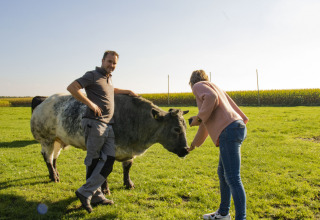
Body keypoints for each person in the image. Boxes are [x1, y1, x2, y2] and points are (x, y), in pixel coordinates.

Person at [67, 50, 138, 213]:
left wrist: (127, 91)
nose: (112, 65)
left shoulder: (108, 78)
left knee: (109, 160)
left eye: (114, 63)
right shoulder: (92, 74)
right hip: (94, 122)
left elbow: (110, 91)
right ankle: (92, 195)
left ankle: (89, 193)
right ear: (102, 60)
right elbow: (72, 87)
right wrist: (90, 104)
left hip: (108, 124)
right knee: (94, 160)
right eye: (109, 62)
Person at [188, 70, 249, 220]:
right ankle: (223, 213)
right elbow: (205, 124)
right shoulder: (215, 87)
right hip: (235, 128)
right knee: (223, 174)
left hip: (229, 130)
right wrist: (193, 145)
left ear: (192, 83)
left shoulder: (199, 86)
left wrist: (198, 117)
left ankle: (241, 218)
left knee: (233, 178)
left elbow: (210, 100)